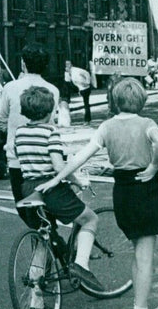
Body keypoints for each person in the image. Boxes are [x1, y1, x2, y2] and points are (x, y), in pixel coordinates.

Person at [38, 76, 158, 309]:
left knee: (138, 252)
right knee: (145, 257)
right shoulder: (147, 123)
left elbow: (81, 156)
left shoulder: (107, 127)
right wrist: (153, 166)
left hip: (122, 192)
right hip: (146, 189)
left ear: (115, 100)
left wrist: (57, 178)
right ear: (141, 99)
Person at [14, 86, 102, 292]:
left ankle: (35, 298)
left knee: (42, 239)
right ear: (48, 112)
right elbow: (58, 167)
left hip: (28, 188)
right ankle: (81, 265)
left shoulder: (20, 132)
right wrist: (78, 180)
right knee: (90, 219)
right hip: (51, 189)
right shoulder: (50, 132)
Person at [0, 42, 59, 223]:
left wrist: (14, 135)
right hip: (45, 159)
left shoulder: (10, 88)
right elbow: (50, 123)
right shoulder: (53, 90)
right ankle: (54, 247)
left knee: (25, 209)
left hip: (18, 159)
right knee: (47, 211)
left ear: (23, 63)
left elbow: (1, 121)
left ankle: (51, 247)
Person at [65, 59, 92, 124]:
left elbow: (87, 73)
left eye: (68, 64)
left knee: (86, 104)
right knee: (86, 104)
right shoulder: (68, 72)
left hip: (86, 88)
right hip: (80, 89)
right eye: (66, 64)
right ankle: (88, 119)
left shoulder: (76, 70)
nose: (67, 66)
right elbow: (67, 81)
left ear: (71, 64)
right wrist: (67, 74)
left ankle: (87, 120)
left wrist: (87, 82)